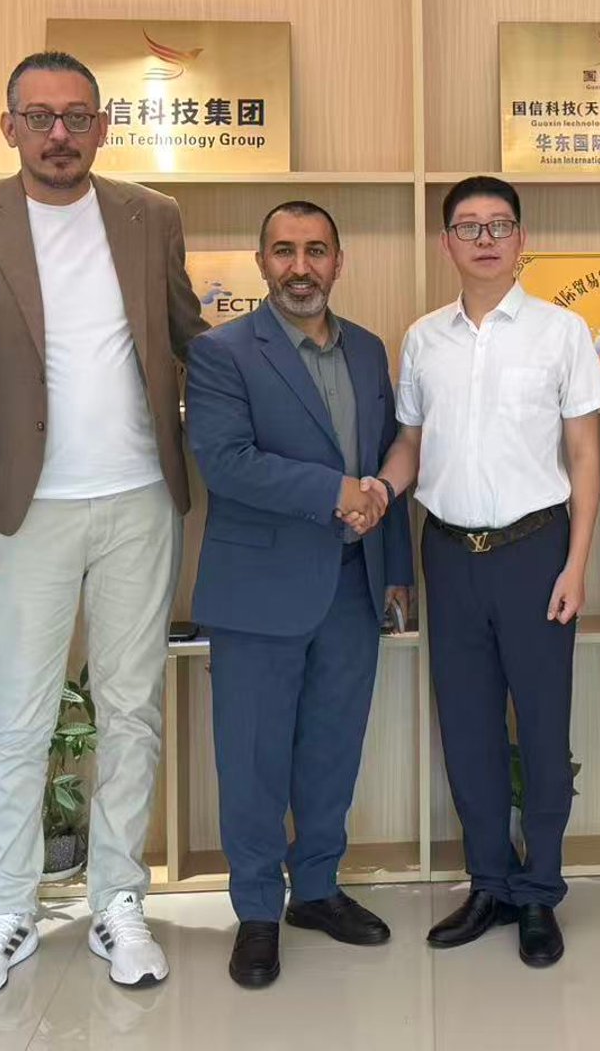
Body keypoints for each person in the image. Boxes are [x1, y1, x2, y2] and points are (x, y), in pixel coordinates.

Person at [0, 51, 206, 997]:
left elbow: (191, 339)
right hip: (18, 508)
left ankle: (118, 898)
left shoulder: (150, 215)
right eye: (39, 116)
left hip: (139, 498)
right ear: (8, 126)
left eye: (77, 116)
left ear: (102, 126)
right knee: (19, 716)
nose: (58, 133)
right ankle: (5, 910)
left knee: (132, 708)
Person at [373, 176, 600, 968]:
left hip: (537, 552)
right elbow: (412, 443)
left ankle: (539, 890)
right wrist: (379, 491)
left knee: (542, 729)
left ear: (521, 239)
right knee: (468, 728)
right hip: (448, 553)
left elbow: (585, 455)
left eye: (498, 224)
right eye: (468, 226)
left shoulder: (561, 332)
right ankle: (489, 881)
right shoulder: (423, 338)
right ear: (445, 242)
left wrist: (578, 562)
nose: (484, 238)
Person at [184, 200, 414, 990]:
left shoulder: (368, 350)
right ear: (262, 262)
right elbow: (226, 462)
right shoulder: (221, 352)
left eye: (316, 250)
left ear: (338, 262)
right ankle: (256, 909)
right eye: (284, 250)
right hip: (258, 589)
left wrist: (395, 568)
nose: (300, 266)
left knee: (331, 747)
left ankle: (316, 889)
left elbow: (385, 458)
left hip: (353, 584)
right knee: (252, 756)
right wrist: (335, 491)